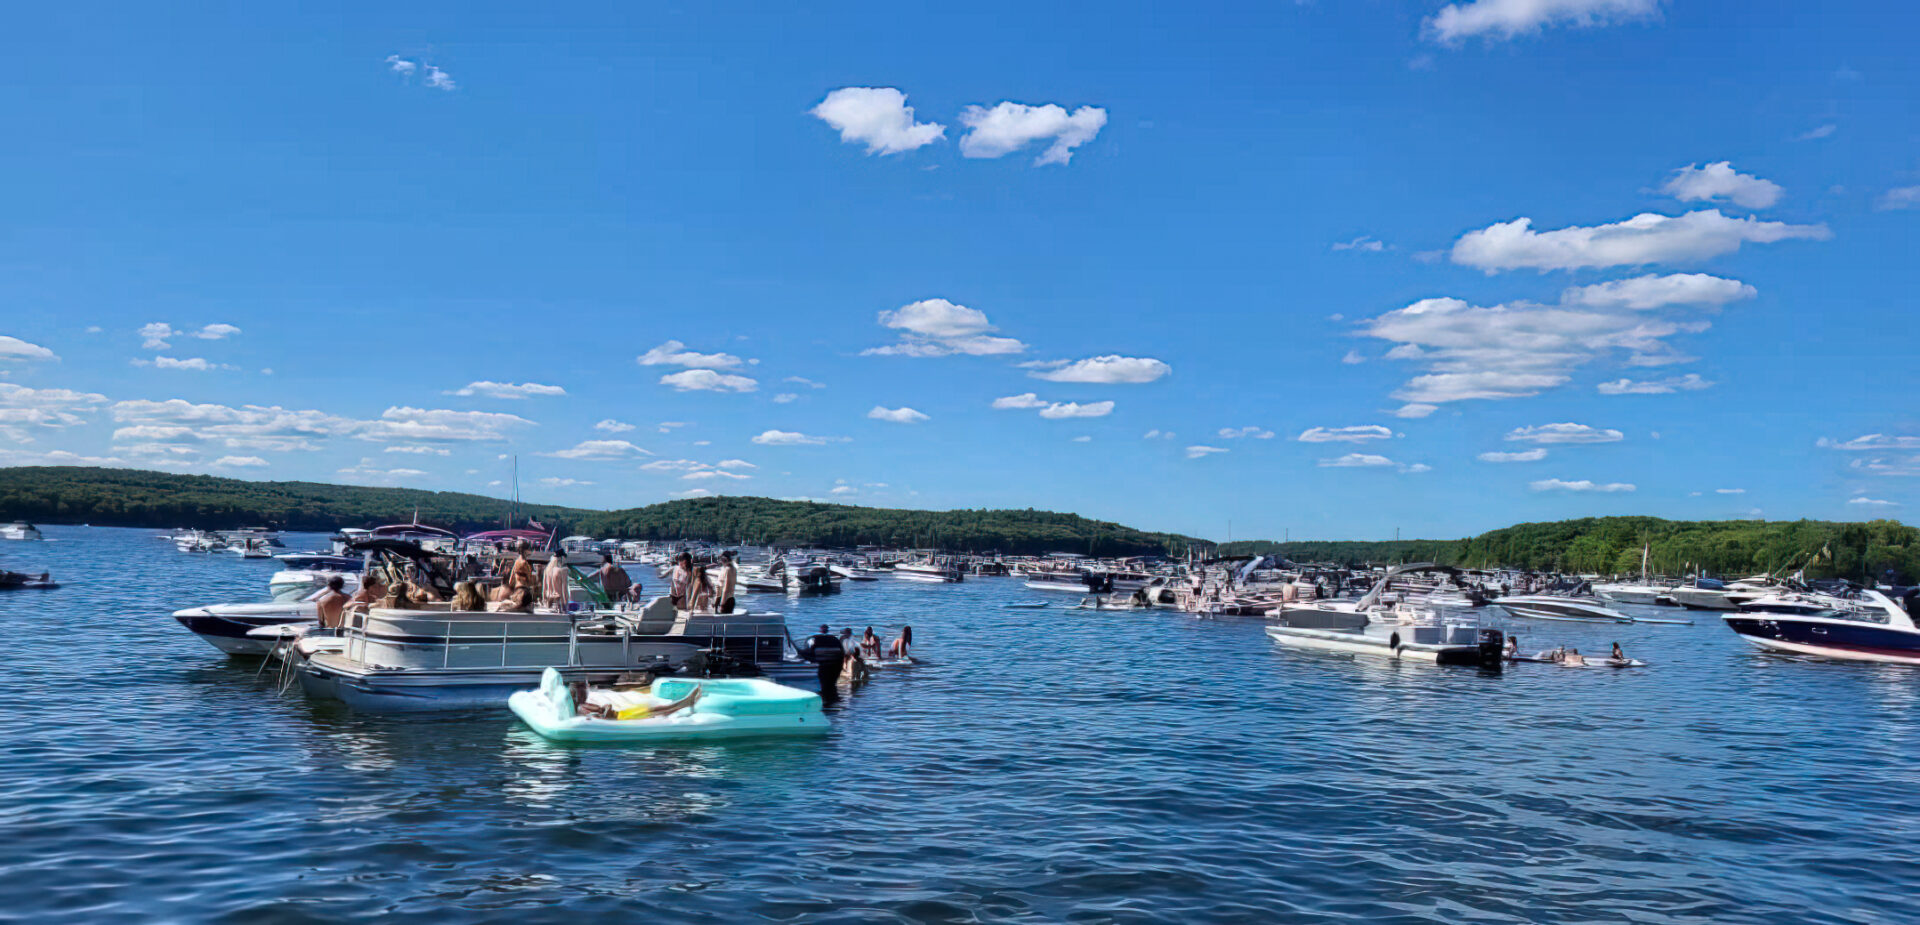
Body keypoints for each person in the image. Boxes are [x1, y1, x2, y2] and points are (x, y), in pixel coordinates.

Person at [799, 623, 846, 697]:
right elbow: (842, 654)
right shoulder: (834, 639)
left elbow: (809, 654)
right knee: (831, 685)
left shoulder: (815, 639)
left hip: (824, 666)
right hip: (835, 666)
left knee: (825, 685)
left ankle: (827, 698)